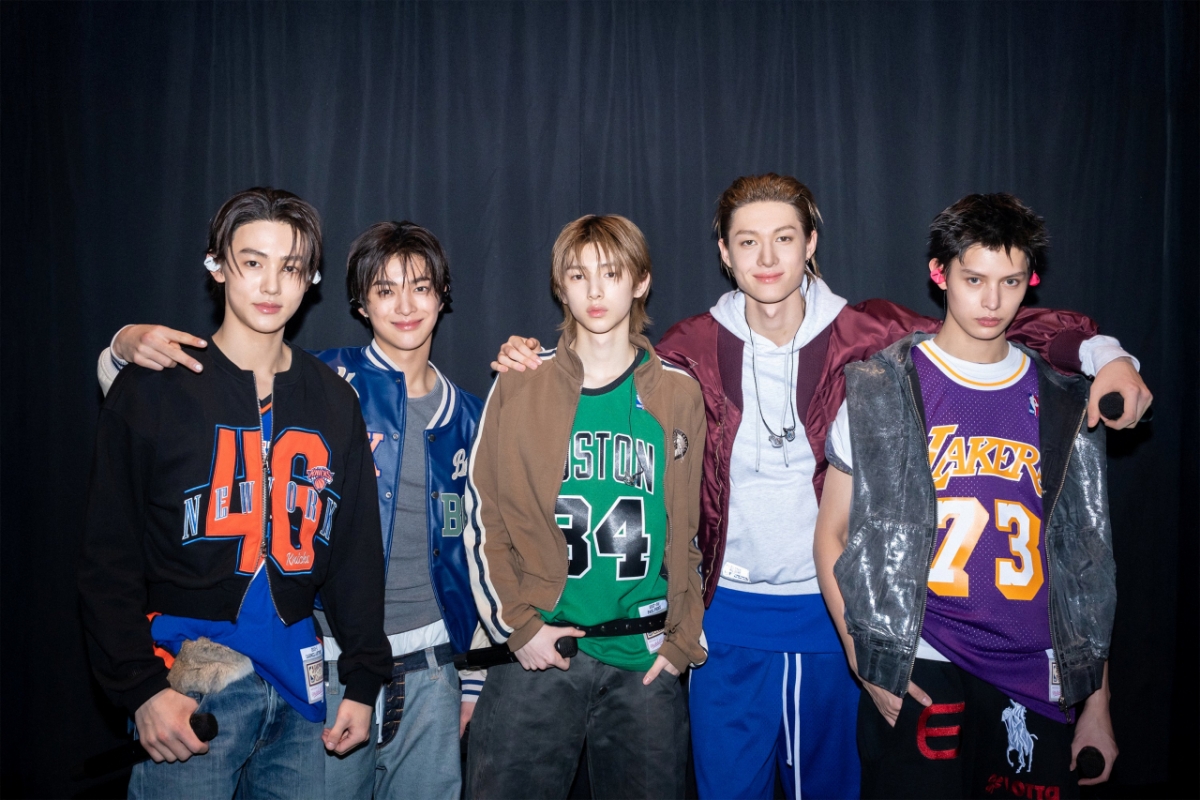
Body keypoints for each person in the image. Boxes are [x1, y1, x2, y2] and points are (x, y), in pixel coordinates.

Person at [491, 174, 1150, 798]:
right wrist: (536, 362)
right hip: (727, 616)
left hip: (829, 614)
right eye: (748, 240)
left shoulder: (865, 333)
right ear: (724, 252)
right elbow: (606, 359)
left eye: (784, 237)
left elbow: (990, 321)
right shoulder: (692, 344)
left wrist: (1105, 356)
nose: (767, 257)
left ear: (810, 243)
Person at [96, 221, 485, 799]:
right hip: (266, 662)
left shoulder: (457, 414)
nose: (405, 305)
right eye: (384, 290)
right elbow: (147, 414)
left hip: (404, 666)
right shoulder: (324, 382)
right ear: (358, 302)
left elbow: (470, 549)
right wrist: (121, 344)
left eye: (421, 287)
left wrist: (468, 676)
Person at [79, 187, 392, 799]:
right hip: (189, 687)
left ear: (312, 279)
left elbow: (355, 556)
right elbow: (106, 556)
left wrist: (362, 681)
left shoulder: (334, 399)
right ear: (217, 265)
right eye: (252, 261)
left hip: (302, 695)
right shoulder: (154, 388)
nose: (271, 284)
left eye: (291, 267)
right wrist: (140, 689)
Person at [815, 193, 1119, 798]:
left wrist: (1098, 703)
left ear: (1030, 281)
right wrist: (863, 659)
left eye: (1010, 282)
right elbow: (832, 534)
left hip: (1036, 670)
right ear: (940, 273)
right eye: (974, 279)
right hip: (924, 662)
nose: (992, 301)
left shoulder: (1064, 401)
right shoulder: (882, 388)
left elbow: (1086, 562)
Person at [462, 215, 707, 799]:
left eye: (612, 273)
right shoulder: (521, 381)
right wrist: (519, 628)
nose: (596, 291)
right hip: (538, 652)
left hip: (643, 660)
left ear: (640, 282)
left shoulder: (678, 393)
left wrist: (683, 642)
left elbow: (691, 531)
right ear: (561, 286)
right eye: (579, 275)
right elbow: (483, 515)